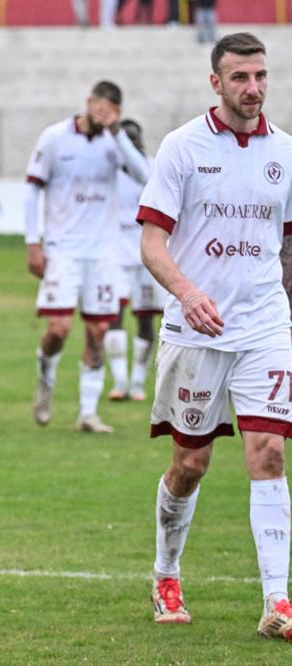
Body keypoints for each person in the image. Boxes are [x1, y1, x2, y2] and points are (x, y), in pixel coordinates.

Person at [138, 32, 292, 639]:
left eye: (260, 76)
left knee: (270, 453)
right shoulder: (182, 147)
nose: (253, 88)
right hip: (196, 330)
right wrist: (188, 293)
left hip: (264, 325)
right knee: (191, 463)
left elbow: (287, 245)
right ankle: (166, 572)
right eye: (240, 77)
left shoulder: (285, 152)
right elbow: (152, 242)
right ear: (216, 82)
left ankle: (278, 600)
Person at [25, 81, 149, 433]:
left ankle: (88, 413)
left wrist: (118, 133)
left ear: (117, 113)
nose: (101, 113)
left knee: (98, 330)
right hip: (63, 249)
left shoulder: (115, 143)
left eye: (109, 110)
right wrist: (32, 243)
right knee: (59, 329)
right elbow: (32, 189)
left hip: (103, 253)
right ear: (88, 101)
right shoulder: (55, 138)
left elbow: (145, 176)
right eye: (98, 106)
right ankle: (45, 377)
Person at [104, 119, 162, 402]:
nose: (132, 143)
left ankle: (138, 382)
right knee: (113, 316)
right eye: (126, 139)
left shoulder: (152, 168)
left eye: (135, 138)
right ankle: (120, 381)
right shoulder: (109, 172)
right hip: (115, 257)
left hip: (146, 256)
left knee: (145, 320)